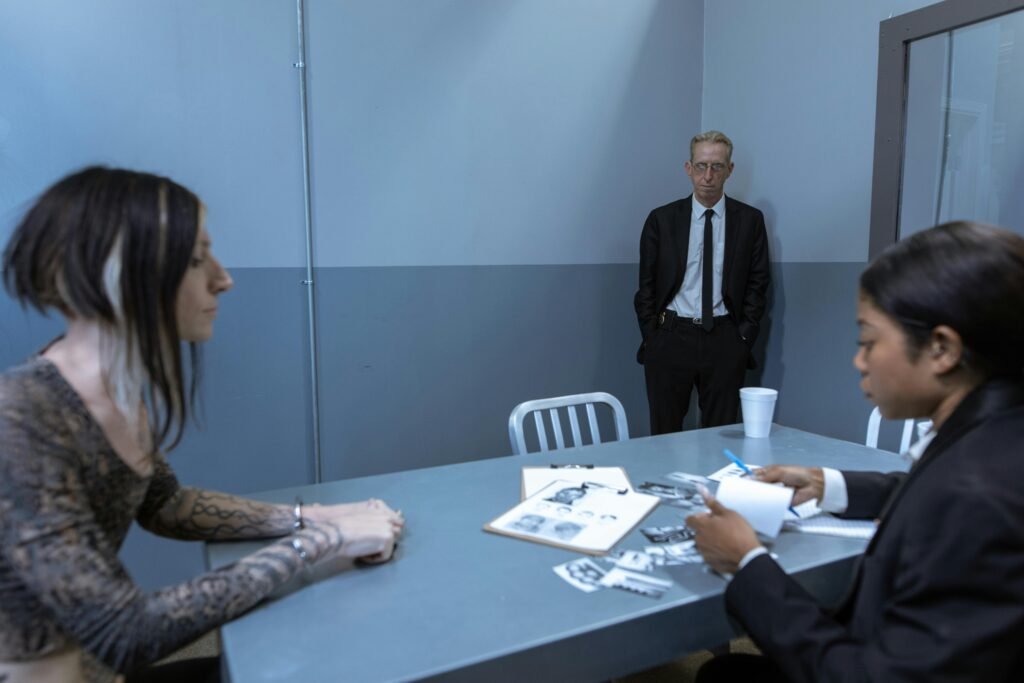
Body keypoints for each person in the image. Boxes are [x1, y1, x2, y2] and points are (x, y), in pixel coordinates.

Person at [0, 167, 405, 683]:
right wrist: (320, 542)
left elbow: (167, 505)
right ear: (121, 276)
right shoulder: (22, 416)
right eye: (195, 260)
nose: (223, 278)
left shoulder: (118, 388)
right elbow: (127, 632)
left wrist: (315, 515)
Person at [686, 221, 1024, 682]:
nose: (858, 361)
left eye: (868, 341)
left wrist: (747, 563)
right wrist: (828, 485)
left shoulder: (975, 493)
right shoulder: (994, 433)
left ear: (942, 348)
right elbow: (920, 491)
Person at [634, 130, 770, 434]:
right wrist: (653, 337)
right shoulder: (662, 220)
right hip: (670, 336)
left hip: (725, 338)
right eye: (701, 166)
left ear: (729, 170)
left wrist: (743, 337)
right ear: (688, 168)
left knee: (720, 434)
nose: (707, 175)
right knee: (664, 434)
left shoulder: (749, 221)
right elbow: (646, 286)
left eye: (717, 167)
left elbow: (757, 284)